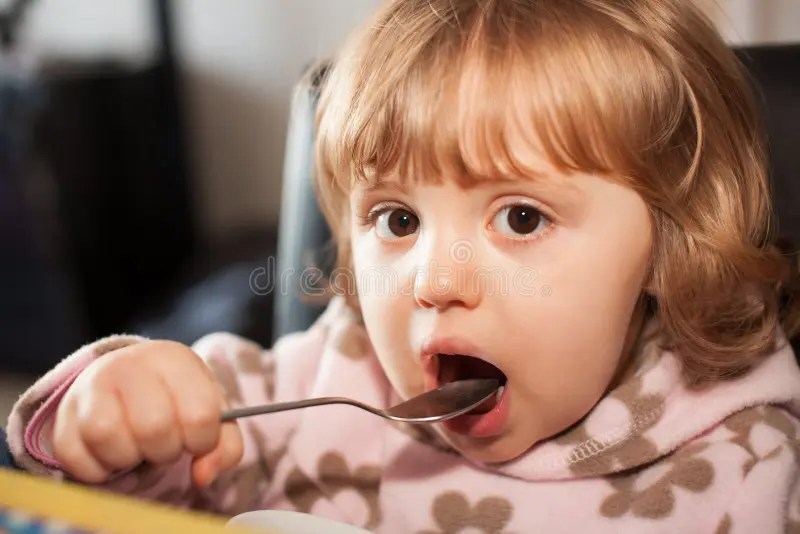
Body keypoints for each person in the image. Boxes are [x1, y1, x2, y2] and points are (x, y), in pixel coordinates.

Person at [5, 0, 800, 531]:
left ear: (668, 240)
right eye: (398, 219)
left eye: (521, 217)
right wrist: (130, 411)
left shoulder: (735, 460)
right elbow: (151, 480)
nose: (433, 280)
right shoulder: (329, 380)